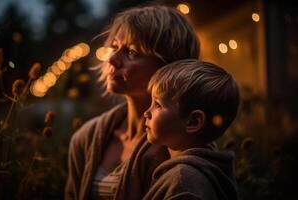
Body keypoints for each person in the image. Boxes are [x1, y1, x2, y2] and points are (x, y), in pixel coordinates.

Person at [65, 4, 200, 200]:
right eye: (114, 47)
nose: (112, 59)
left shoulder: (184, 146)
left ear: (169, 66)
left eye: (131, 52)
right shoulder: (86, 138)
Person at [143, 59, 239, 200]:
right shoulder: (207, 168)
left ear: (193, 122)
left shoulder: (183, 182)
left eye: (158, 104)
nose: (146, 112)